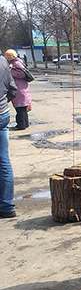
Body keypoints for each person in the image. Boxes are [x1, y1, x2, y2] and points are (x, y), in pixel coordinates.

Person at [0, 54, 17, 218]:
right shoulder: (2, 61)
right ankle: (6, 205)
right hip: (2, 114)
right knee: (3, 160)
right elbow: (12, 89)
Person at [4, 50, 31, 130]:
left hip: (19, 90)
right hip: (22, 88)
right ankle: (25, 124)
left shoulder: (15, 64)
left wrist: (10, 72)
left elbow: (21, 74)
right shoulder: (18, 62)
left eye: (7, 56)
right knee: (22, 109)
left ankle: (21, 125)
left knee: (20, 109)